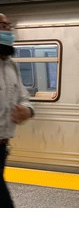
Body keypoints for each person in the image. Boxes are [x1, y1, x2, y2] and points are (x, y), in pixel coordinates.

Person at [0, 13, 35, 208]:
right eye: (2, 26)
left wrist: (27, 111)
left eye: (8, 26)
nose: (8, 31)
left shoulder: (11, 66)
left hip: (2, 147)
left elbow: (24, 97)